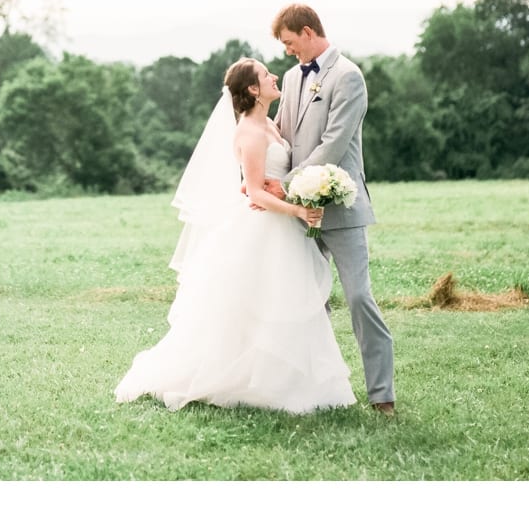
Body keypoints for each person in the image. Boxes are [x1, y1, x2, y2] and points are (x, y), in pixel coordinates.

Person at [114, 58, 356, 414]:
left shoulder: (271, 125)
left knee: (281, 301)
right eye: (265, 75)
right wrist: (298, 210)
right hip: (260, 228)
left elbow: (265, 180)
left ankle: (285, 380)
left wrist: (297, 192)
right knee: (256, 304)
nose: (274, 76)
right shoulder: (249, 131)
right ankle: (242, 380)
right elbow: (255, 193)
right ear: (253, 89)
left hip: (280, 227)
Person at [260, 3, 396, 413]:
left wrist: (286, 184)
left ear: (306, 32)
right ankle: (307, 393)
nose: (286, 52)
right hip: (296, 215)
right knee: (303, 300)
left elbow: (334, 143)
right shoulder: (289, 77)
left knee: (358, 298)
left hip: (340, 207)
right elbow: (281, 134)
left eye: (288, 42)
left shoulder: (349, 77)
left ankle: (382, 394)